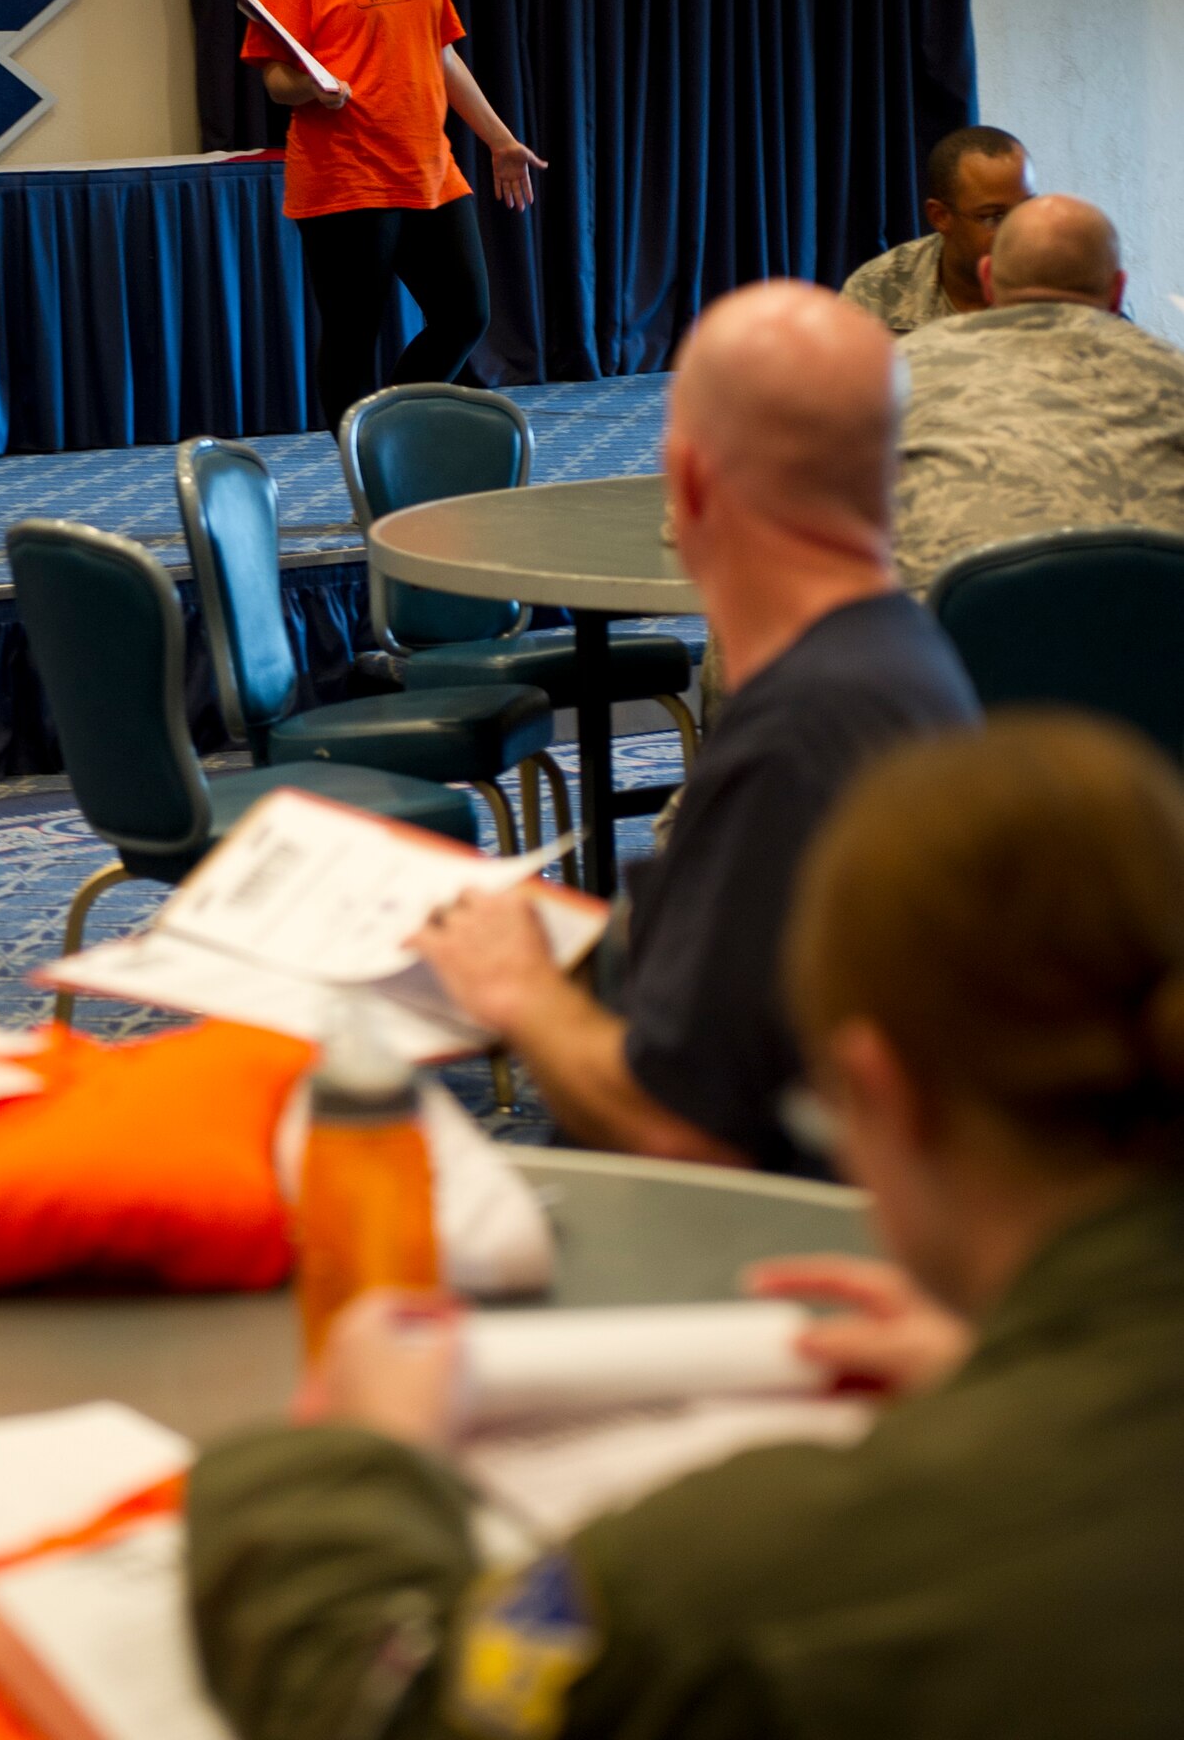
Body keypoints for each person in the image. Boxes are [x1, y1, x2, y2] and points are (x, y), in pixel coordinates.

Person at [188, 711, 1184, 1739]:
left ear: (886, 1094)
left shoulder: (743, 1578)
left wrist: (358, 1445)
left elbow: (385, 1698)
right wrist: (1015, 1360)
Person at [413, 282, 976, 1173]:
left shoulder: (800, 735)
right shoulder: (901, 661)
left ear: (691, 482)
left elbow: (680, 1127)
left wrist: (518, 990)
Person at [241, 0, 546, 436]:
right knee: (352, 338)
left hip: (427, 169)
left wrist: (498, 140)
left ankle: (393, 437)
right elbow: (274, 78)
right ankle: (370, 479)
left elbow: (440, 54)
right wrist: (311, 89)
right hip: (346, 177)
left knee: (466, 313)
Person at [894, 193, 1184, 596]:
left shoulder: (897, 372)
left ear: (988, 279)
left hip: (951, 648)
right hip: (1154, 642)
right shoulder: (1175, 374)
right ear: (1118, 292)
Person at [841, 124, 1035, 333]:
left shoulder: (1059, 278)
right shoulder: (878, 289)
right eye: (993, 217)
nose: (1018, 230)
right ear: (940, 217)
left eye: (1027, 208)